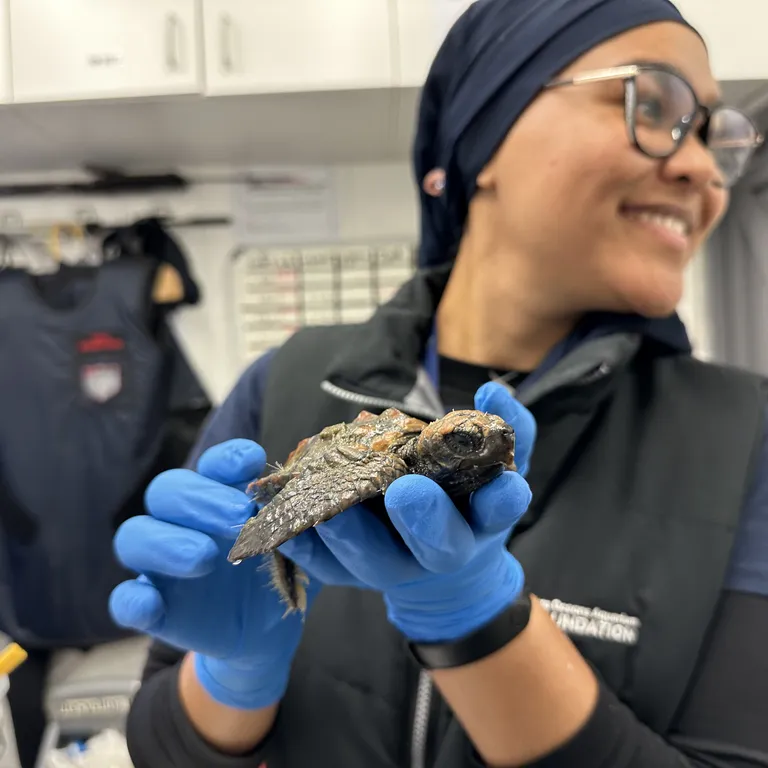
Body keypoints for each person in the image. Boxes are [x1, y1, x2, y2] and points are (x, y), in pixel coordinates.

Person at [107, 0, 768, 766]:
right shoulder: (284, 382)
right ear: (483, 135)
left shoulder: (742, 438)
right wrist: (235, 677)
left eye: (715, 136)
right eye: (650, 105)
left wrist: (476, 621)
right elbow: (157, 741)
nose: (701, 170)